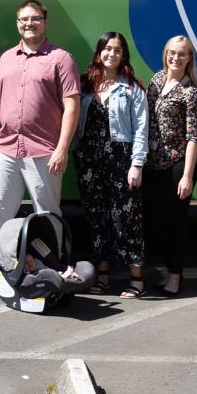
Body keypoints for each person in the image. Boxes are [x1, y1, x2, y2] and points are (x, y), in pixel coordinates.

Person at [0, 0, 80, 292]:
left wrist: (62, 148)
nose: (29, 24)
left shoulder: (61, 59)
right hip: (5, 151)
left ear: (46, 21)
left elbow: (72, 107)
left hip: (44, 152)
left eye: (35, 18)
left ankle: (53, 273)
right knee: (0, 215)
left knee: (48, 215)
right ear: (17, 24)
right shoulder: (5, 59)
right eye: (24, 19)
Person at [74, 31, 150, 298]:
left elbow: (141, 129)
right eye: (107, 49)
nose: (111, 54)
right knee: (97, 219)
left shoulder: (132, 87)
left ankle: (137, 279)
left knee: (128, 219)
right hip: (88, 160)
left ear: (123, 56)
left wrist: (137, 164)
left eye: (117, 50)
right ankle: (103, 277)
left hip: (121, 159)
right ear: (99, 52)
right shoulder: (85, 85)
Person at [144, 36, 197, 296]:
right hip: (152, 163)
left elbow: (193, 137)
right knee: (154, 222)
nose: (175, 58)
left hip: (178, 165)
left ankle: (175, 277)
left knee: (175, 223)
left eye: (182, 54)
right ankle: (167, 267)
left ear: (189, 58)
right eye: (171, 52)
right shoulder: (156, 81)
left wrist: (188, 176)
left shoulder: (192, 92)